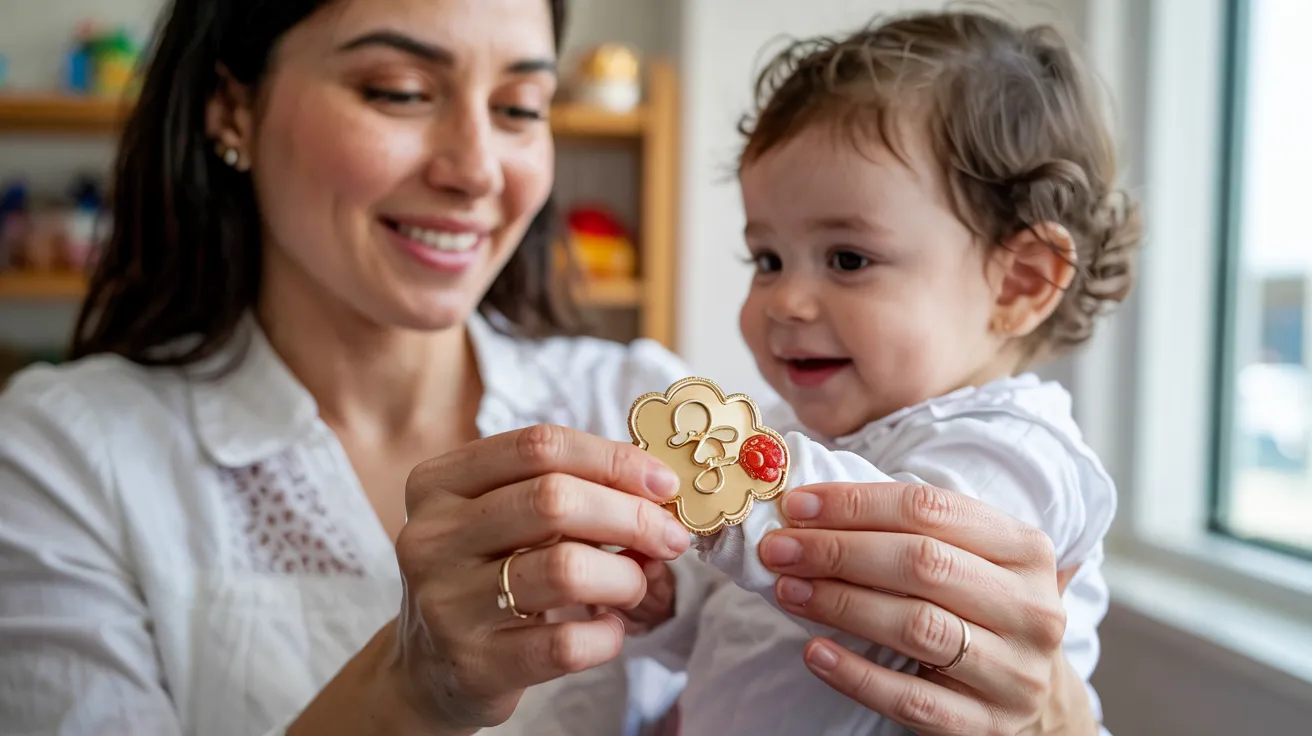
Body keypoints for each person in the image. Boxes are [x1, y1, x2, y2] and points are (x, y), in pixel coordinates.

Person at [0, 1, 1105, 735]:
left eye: (522, 106)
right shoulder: (62, 455)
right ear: (232, 106)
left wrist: (1051, 711)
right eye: (396, 90)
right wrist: (406, 690)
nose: (476, 167)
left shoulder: (636, 398)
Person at [606, 10, 1139, 735]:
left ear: (1019, 282)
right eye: (767, 259)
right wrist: (672, 607)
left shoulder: (1015, 452)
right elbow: (751, 631)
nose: (785, 301)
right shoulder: (809, 438)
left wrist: (724, 483)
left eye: (849, 259)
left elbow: (857, 572)